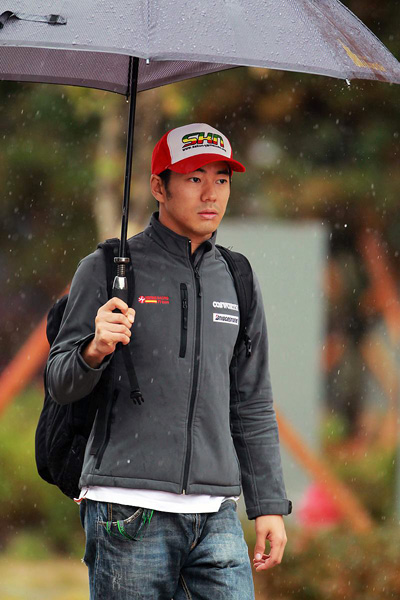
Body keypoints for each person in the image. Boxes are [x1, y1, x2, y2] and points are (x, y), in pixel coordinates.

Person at [47, 123, 292, 599]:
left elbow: (252, 400)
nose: (211, 193)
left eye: (221, 179)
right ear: (159, 187)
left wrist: (268, 505)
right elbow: (60, 382)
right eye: (194, 178)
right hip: (126, 511)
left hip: (216, 515)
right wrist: (94, 349)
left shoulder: (238, 277)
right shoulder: (107, 267)